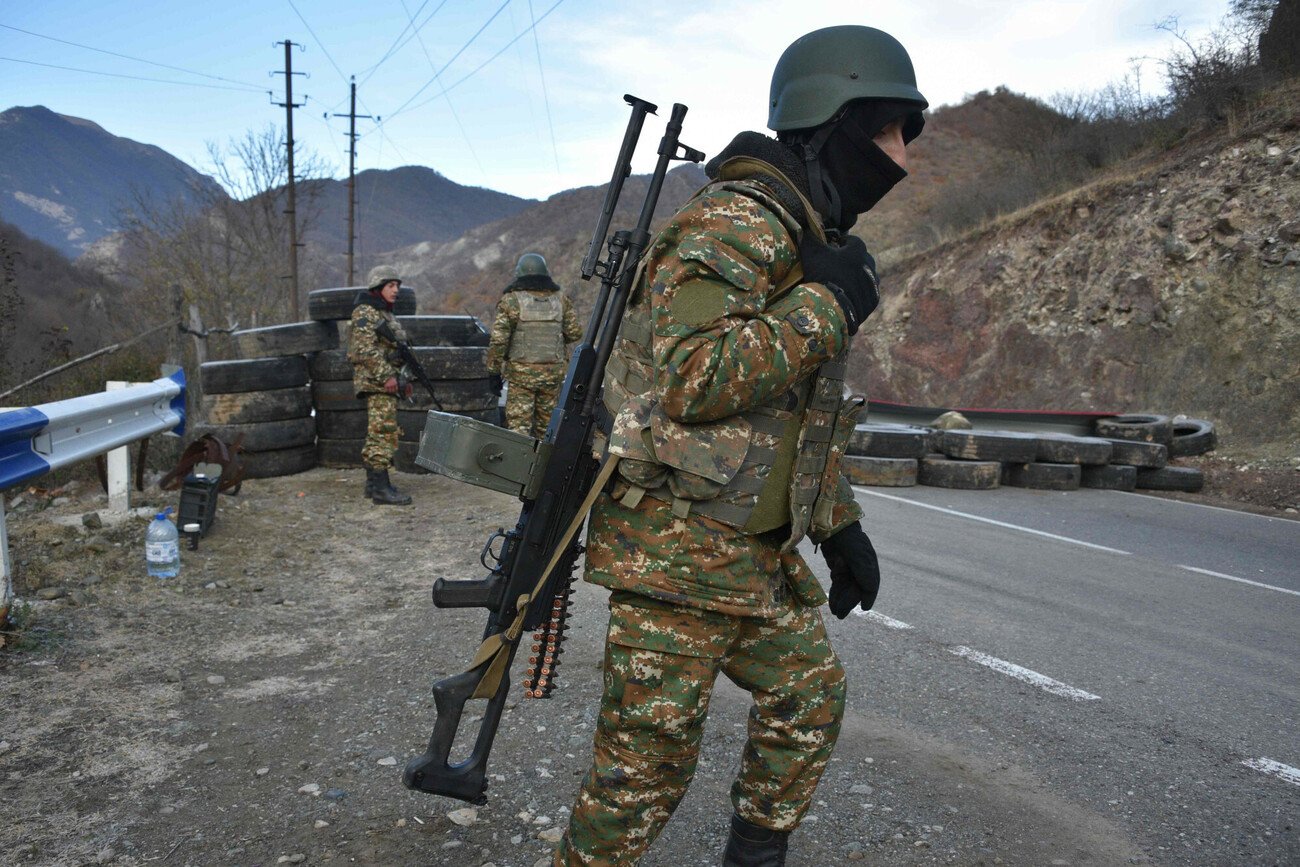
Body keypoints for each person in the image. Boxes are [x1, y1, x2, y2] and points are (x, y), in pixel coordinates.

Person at [555, 25, 927, 866]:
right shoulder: (736, 221)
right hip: (677, 556)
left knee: (807, 701)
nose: (901, 158)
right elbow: (692, 377)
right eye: (887, 130)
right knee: (643, 776)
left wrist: (840, 526)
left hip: (749, 557)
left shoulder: (804, 234)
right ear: (830, 120)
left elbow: (790, 416)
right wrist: (826, 308)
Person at [486, 253, 582, 438]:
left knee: (518, 430)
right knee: (547, 430)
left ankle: (517, 466)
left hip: (521, 377)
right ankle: (544, 466)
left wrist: (493, 372)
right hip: (552, 376)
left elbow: (499, 341)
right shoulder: (560, 300)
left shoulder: (512, 301)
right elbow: (574, 333)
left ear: (519, 274)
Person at [349, 266, 414, 506]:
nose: (396, 290)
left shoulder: (384, 313)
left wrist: (402, 380)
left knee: (379, 432)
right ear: (378, 287)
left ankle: (373, 485)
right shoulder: (366, 311)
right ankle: (381, 490)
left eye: (397, 285)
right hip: (377, 383)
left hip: (386, 382)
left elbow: (395, 351)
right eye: (390, 285)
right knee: (383, 434)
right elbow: (365, 349)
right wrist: (388, 376)